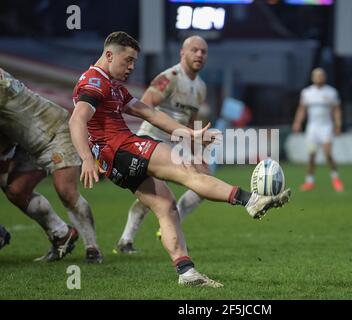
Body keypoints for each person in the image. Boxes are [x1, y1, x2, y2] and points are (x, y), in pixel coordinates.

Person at [69, 31, 290, 287]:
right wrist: (85, 157)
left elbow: (147, 112)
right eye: (128, 60)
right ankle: (251, 200)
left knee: (166, 206)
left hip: (114, 161)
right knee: (190, 172)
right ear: (109, 54)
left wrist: (190, 134)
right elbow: (77, 119)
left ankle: (186, 272)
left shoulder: (113, 85)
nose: (131, 67)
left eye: (134, 62)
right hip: (123, 147)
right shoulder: (95, 82)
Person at [116, 35, 212, 253]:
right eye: (194, 50)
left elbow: (190, 121)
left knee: (204, 181)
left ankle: (163, 226)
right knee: (154, 192)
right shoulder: (170, 77)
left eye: (203, 52)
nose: (199, 55)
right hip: (153, 140)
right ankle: (128, 240)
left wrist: (197, 152)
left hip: (175, 144)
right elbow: (145, 105)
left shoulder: (201, 87)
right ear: (182, 53)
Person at [0, 68, 101, 263]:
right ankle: (61, 235)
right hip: (26, 141)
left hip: (55, 130)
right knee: (17, 192)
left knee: (66, 191)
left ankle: (93, 248)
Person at [292, 68, 344, 192]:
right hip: (312, 128)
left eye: (321, 75)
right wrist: (297, 122)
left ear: (324, 77)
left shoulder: (331, 92)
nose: (319, 78)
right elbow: (302, 109)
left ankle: (335, 178)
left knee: (328, 154)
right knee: (311, 156)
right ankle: (309, 181)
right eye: (316, 76)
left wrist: (338, 124)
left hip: (326, 126)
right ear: (312, 78)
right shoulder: (307, 92)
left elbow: (336, 109)